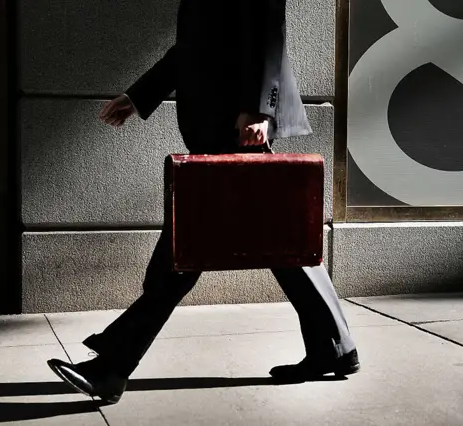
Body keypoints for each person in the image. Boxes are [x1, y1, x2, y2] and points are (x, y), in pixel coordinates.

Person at [47, 0, 359, 404]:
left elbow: (268, 30)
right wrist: (140, 96)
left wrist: (258, 109)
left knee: (182, 252)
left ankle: (112, 366)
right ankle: (334, 347)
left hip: (237, 129)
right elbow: (193, 48)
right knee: (281, 242)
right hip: (221, 128)